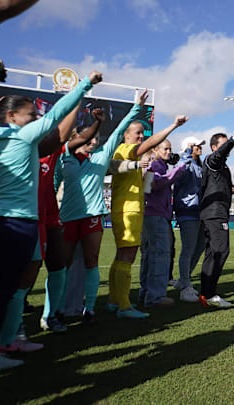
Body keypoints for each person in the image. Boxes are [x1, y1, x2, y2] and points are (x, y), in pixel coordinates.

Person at [0, 72, 101, 370]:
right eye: (31, 114)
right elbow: (57, 119)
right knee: (5, 287)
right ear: (12, 116)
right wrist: (84, 86)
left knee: (17, 285)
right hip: (15, 222)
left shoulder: (16, 139)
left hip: (27, 221)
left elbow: (62, 132)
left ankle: (9, 338)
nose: (36, 118)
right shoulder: (21, 136)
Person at [57, 90, 148, 325]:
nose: (94, 141)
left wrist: (136, 107)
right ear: (76, 139)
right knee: (62, 265)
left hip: (93, 217)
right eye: (89, 138)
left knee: (91, 262)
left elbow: (119, 131)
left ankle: (89, 309)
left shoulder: (101, 158)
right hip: (67, 217)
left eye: (96, 138)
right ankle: (55, 310)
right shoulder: (63, 157)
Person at [108, 110, 189, 317]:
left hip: (136, 210)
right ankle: (135, 302)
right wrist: (174, 126)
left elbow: (145, 186)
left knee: (128, 256)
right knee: (147, 255)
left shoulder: (132, 155)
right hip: (134, 211)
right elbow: (153, 185)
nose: (141, 137)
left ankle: (118, 300)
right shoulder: (129, 150)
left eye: (143, 134)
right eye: (138, 133)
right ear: (126, 135)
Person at [38, 106, 103, 333]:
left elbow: (112, 163)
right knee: (28, 271)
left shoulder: (65, 152)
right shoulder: (58, 154)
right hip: (42, 217)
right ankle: (32, 319)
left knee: (63, 267)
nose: (92, 142)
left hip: (60, 219)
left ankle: (61, 312)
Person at [198, 130, 234, 307]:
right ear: (213, 147)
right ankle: (209, 294)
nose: (228, 149)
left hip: (216, 213)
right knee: (220, 251)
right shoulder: (212, 160)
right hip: (214, 213)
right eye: (223, 145)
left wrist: (229, 188)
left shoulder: (223, 167)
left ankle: (206, 293)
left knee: (213, 252)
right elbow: (218, 156)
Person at [139, 140, 186, 309]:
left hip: (153, 214)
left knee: (150, 256)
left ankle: (146, 293)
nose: (169, 152)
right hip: (156, 214)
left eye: (170, 149)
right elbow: (153, 184)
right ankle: (155, 297)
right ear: (155, 149)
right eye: (165, 149)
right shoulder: (154, 165)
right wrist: (178, 170)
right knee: (160, 255)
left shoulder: (156, 165)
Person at [173, 138, 206, 303]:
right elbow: (180, 172)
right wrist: (185, 153)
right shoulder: (183, 162)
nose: (200, 147)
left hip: (199, 211)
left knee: (199, 247)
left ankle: (183, 280)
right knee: (188, 249)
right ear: (188, 147)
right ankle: (185, 286)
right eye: (196, 145)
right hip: (187, 210)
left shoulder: (198, 166)